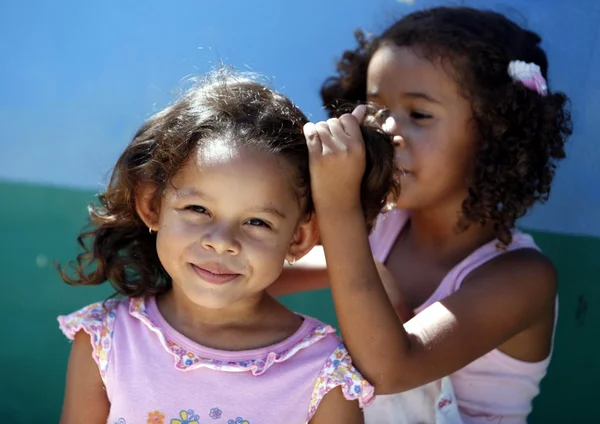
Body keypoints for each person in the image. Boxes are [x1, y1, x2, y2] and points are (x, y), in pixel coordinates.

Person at [273, 6, 572, 423]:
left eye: (419, 114)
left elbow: (391, 369)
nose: (389, 132)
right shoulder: (381, 227)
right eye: (377, 110)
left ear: (496, 132)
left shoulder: (522, 275)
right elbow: (257, 267)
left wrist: (338, 208)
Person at [56, 70, 398, 424]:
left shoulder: (323, 370)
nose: (221, 242)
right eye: (198, 209)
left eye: (257, 222)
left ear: (299, 237)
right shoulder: (106, 339)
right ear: (152, 206)